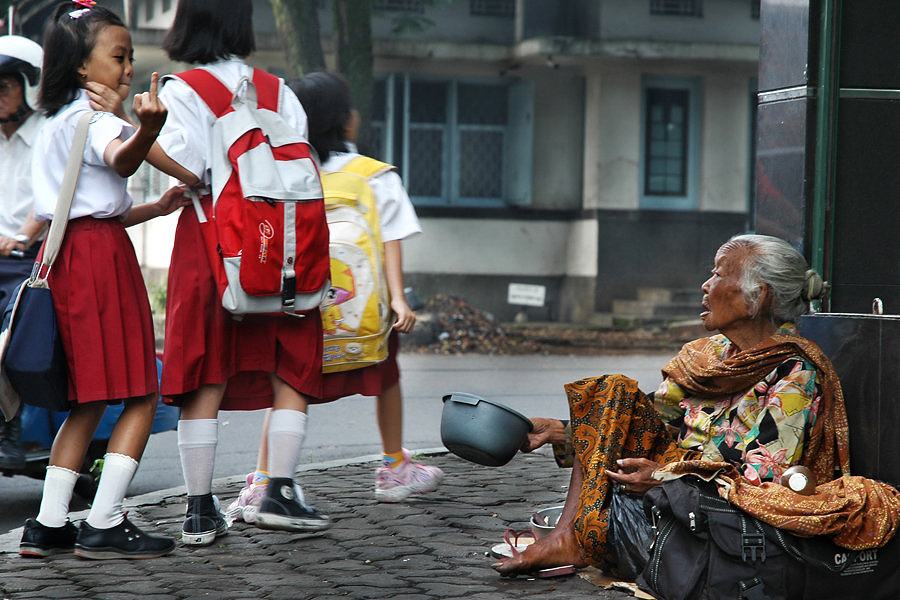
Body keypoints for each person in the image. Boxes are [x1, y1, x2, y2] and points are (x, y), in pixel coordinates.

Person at [493, 234, 848, 577]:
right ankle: (567, 535)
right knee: (611, 389)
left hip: (708, 508)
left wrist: (663, 479)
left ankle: (579, 536)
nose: (705, 286)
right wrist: (559, 432)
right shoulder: (707, 356)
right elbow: (650, 419)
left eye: (719, 275)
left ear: (760, 297)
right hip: (668, 486)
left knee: (621, 510)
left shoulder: (794, 376)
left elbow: (761, 480)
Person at [146, 0, 331, 546]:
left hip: (210, 244)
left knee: (205, 367)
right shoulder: (281, 91)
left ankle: (200, 510)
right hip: (285, 250)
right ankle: (278, 488)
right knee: (292, 362)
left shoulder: (182, 91)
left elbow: (189, 169)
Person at [225, 72, 443, 524]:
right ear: (346, 121)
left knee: (287, 389)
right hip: (363, 313)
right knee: (386, 378)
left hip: (302, 305)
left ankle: (264, 480)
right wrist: (399, 300)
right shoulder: (374, 175)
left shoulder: (287, 169)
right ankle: (393, 467)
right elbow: (391, 240)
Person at [18, 3, 188, 559]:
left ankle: (47, 525)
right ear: (83, 67)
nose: (129, 68)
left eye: (130, 56)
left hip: (63, 255)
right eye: (119, 56)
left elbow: (86, 210)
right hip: (100, 263)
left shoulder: (52, 124)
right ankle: (105, 519)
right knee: (142, 391)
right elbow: (119, 163)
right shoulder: (101, 119)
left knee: (87, 401)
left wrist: (157, 209)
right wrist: (148, 126)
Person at [0, 35, 47, 471]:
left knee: (9, 326)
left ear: (30, 86)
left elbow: (49, 201)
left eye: (4, 84)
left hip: (30, 263)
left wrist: (19, 236)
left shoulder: (48, 134)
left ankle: (9, 427)